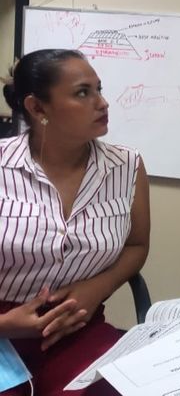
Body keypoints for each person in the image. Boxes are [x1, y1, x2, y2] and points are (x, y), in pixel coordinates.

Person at [0, 49, 150, 394]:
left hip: (76, 328)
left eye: (99, 89)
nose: (103, 103)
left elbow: (136, 245)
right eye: (83, 92)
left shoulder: (126, 166)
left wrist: (97, 288)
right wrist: (6, 324)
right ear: (38, 108)